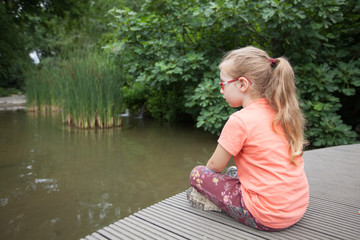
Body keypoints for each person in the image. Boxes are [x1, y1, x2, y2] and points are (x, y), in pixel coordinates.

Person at [188, 46, 309, 231]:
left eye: (223, 84)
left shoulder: (239, 120)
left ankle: (220, 205)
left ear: (243, 84)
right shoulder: (281, 112)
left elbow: (214, 167)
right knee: (233, 171)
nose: (221, 91)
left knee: (198, 174)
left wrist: (209, 177)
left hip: (267, 216)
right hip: (297, 207)